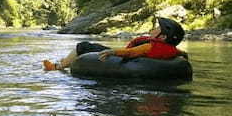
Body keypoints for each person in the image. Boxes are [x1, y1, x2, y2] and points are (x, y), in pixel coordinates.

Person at [43, 17, 187, 71]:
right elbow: (179, 52)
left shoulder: (151, 46)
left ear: (162, 37)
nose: (153, 29)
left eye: (157, 28)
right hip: (136, 60)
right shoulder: (170, 49)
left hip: (120, 57)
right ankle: (67, 61)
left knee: (83, 46)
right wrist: (183, 54)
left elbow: (131, 53)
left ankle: (57, 67)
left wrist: (113, 52)